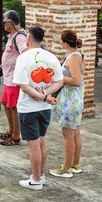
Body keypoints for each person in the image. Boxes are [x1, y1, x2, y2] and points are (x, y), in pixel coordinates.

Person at [13, 27, 64, 191]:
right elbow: (59, 82)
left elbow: (23, 86)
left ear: (28, 38)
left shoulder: (23, 58)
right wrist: (45, 94)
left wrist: (41, 95)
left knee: (34, 144)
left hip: (28, 108)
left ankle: (35, 180)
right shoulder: (51, 56)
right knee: (42, 141)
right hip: (45, 108)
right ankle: (40, 175)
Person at [49, 30, 85, 178]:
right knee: (75, 133)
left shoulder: (73, 58)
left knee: (68, 135)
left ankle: (66, 168)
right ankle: (75, 164)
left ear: (65, 43)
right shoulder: (76, 56)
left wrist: (60, 77)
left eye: (60, 40)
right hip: (74, 100)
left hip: (70, 102)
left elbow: (76, 81)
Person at [0, 10, 28, 146]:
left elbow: (25, 54)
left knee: (14, 107)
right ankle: (11, 131)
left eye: (5, 22)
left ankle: (16, 136)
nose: (3, 24)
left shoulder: (20, 37)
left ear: (10, 23)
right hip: (8, 77)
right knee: (5, 102)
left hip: (14, 80)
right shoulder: (13, 35)